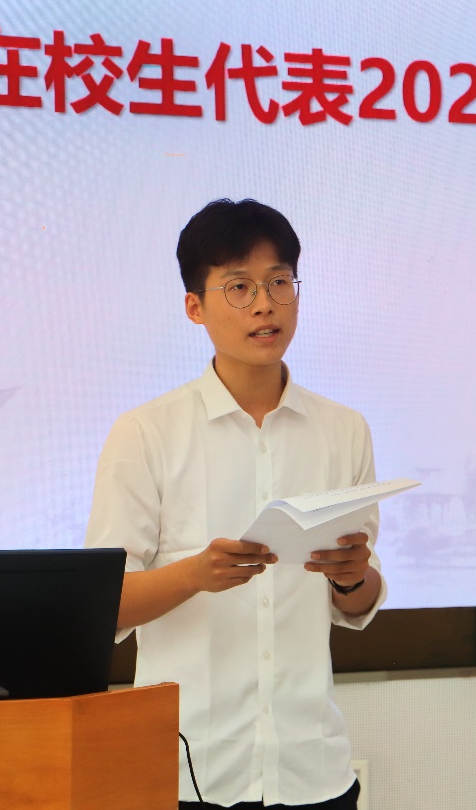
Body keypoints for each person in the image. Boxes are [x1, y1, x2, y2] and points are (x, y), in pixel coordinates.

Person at [85, 198, 384, 809]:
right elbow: (104, 606)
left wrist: (354, 578)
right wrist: (194, 574)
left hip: (313, 770)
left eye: (280, 282)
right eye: (239, 287)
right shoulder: (146, 433)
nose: (265, 304)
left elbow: (357, 603)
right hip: (190, 772)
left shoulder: (344, 429)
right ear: (194, 306)